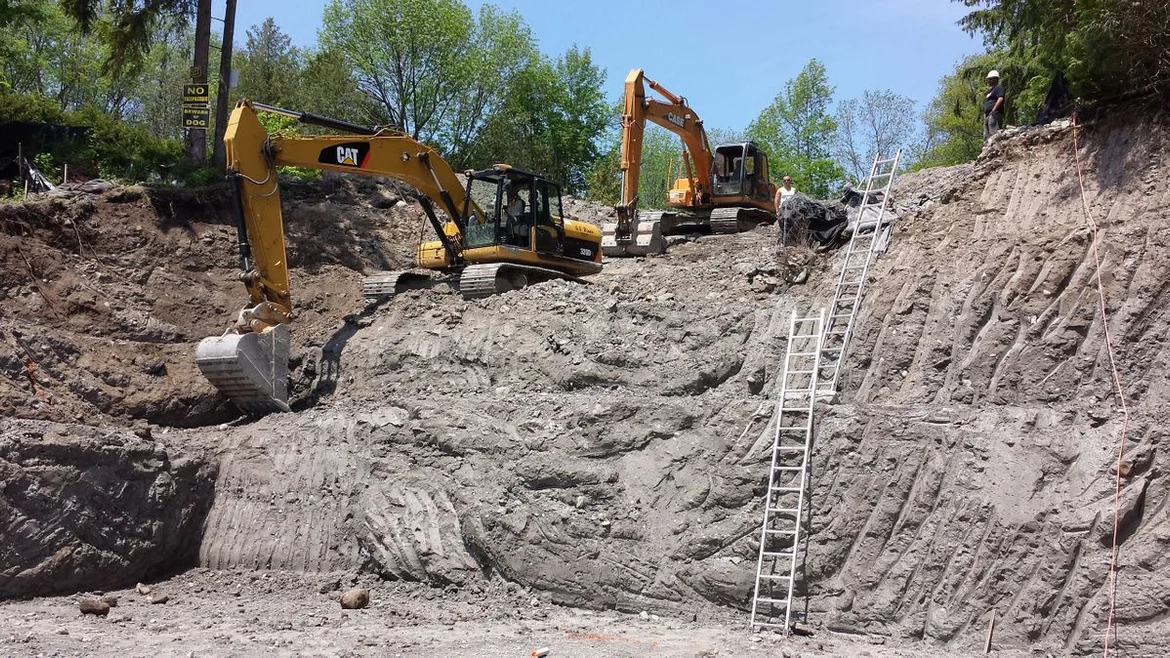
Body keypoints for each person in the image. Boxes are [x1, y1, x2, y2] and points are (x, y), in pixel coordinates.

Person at [984, 70, 1006, 142]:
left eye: (990, 79)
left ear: (995, 79)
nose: (988, 81)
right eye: (988, 79)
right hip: (987, 115)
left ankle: (996, 145)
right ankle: (989, 148)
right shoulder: (990, 91)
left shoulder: (998, 88)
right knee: (987, 135)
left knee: (994, 132)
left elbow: (1000, 98)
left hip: (994, 113)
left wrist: (994, 110)